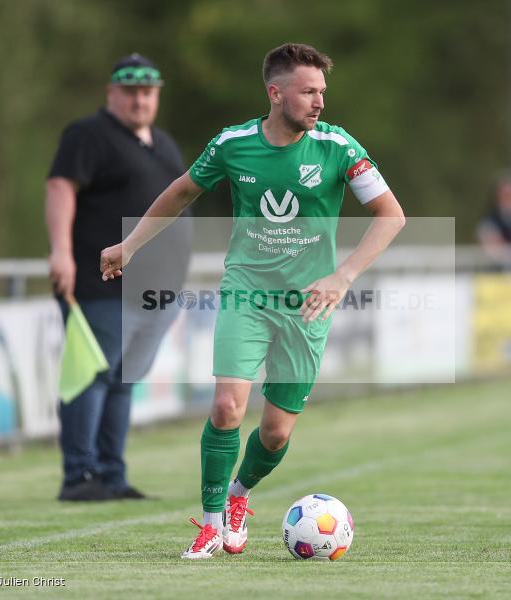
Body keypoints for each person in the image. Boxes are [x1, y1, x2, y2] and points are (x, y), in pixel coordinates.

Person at [99, 42, 406, 558]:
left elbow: (391, 215)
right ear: (275, 93)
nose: (319, 102)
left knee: (275, 432)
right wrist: (129, 246)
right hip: (246, 294)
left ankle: (241, 495)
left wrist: (343, 275)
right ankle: (212, 523)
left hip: (308, 306)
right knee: (226, 408)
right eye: (309, 92)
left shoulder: (339, 147)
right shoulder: (232, 144)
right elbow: (179, 192)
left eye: (322, 92)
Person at [45, 53, 191, 501]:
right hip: (105, 283)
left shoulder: (163, 144)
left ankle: (112, 473)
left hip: (158, 292)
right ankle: (79, 474)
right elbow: (60, 188)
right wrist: (61, 252)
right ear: (112, 93)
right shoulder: (88, 136)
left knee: (124, 380)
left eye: (147, 92)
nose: (139, 100)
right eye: (130, 92)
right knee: (93, 373)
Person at [476, 171, 511, 266]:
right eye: (506, 195)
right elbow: (493, 251)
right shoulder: (489, 224)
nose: (510, 200)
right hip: (499, 277)